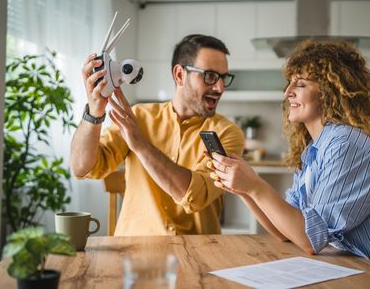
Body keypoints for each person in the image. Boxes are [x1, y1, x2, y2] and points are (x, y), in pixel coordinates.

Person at [207, 40, 370, 288]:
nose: (287, 92)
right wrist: (242, 188)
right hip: (367, 273)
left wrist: (255, 186)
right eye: (289, 83)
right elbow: (285, 231)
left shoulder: (347, 144)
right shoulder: (314, 151)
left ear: (330, 93)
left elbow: (308, 237)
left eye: (300, 84)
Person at [70, 34, 245, 236]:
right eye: (210, 76)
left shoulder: (227, 133)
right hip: (133, 251)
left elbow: (195, 196)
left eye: (223, 78)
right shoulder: (138, 117)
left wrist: (141, 145)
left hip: (199, 253)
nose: (220, 87)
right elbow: (81, 168)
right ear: (179, 75)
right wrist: (94, 112)